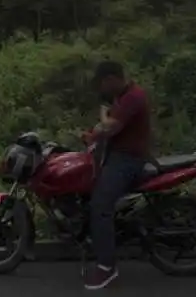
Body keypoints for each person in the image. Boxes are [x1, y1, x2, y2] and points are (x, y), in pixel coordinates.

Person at [83, 60, 152, 290]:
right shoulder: (122, 96)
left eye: (101, 84)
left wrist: (103, 118)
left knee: (100, 205)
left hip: (128, 161)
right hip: (118, 156)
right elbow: (107, 130)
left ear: (111, 79)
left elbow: (110, 127)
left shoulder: (133, 97)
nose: (100, 89)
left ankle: (106, 267)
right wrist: (91, 136)